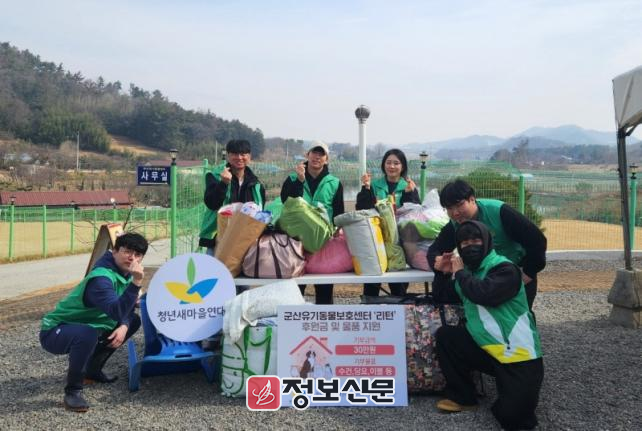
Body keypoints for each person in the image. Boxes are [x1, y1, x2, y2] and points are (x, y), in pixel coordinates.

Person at [434, 220, 543, 430]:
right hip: (485, 346)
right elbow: (441, 295)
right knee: (447, 337)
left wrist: (460, 273)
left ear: (486, 241)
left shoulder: (505, 269)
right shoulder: (468, 273)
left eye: (476, 240)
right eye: (464, 243)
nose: (470, 246)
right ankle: (463, 397)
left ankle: (511, 390)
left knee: (514, 419)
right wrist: (442, 272)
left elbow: (483, 294)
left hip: (518, 354)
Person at [39, 232, 148, 412]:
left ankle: (92, 370)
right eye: (127, 251)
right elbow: (116, 311)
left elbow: (126, 310)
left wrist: (124, 325)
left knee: (133, 321)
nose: (132, 258)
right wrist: (137, 282)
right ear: (114, 251)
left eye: (137, 255)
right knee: (87, 334)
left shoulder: (124, 274)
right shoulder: (101, 278)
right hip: (56, 331)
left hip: (89, 326)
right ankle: (73, 392)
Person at [428, 179, 546, 309]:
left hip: (514, 276)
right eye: (449, 208)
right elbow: (434, 250)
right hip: (481, 284)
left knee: (516, 316)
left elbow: (538, 241)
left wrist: (528, 273)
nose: (455, 213)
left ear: (472, 199)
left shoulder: (499, 212)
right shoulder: (455, 224)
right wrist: (438, 262)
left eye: (460, 205)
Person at [198, 139, 266, 294]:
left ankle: (239, 310)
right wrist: (223, 184)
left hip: (245, 243)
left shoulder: (256, 183)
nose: (239, 157)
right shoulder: (215, 175)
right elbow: (211, 203)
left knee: (243, 286)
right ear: (228, 156)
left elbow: (260, 211)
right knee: (215, 283)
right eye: (235, 154)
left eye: (243, 154)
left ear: (249, 157)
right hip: (217, 240)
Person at [280, 141, 344, 304]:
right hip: (295, 241)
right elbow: (286, 202)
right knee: (295, 288)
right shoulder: (293, 178)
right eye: (314, 152)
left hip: (322, 241)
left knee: (324, 288)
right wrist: (300, 181)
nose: (317, 157)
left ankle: (324, 317)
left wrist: (337, 231)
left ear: (327, 159)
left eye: (321, 154)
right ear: (307, 155)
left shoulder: (334, 182)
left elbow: (338, 212)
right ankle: (295, 318)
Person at [356, 148, 420, 297]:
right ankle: (370, 307)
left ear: (402, 166)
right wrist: (366, 189)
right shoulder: (374, 185)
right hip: (376, 240)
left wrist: (410, 194)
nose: (392, 166)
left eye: (396, 163)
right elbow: (362, 210)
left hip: (400, 242)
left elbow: (415, 215)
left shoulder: (408, 186)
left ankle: (398, 308)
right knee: (372, 282)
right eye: (388, 162)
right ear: (383, 165)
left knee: (398, 285)